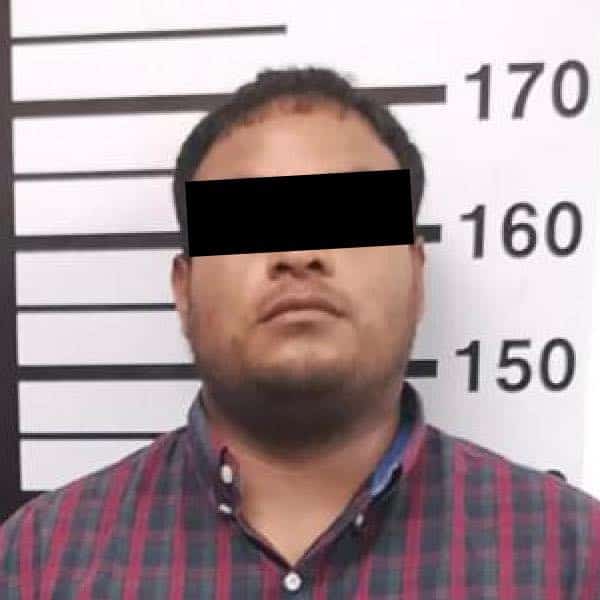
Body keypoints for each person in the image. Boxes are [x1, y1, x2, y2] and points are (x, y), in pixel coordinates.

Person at [1, 66, 599, 599]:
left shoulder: (573, 559)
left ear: (416, 275)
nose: (298, 254)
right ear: (184, 289)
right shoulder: (37, 564)